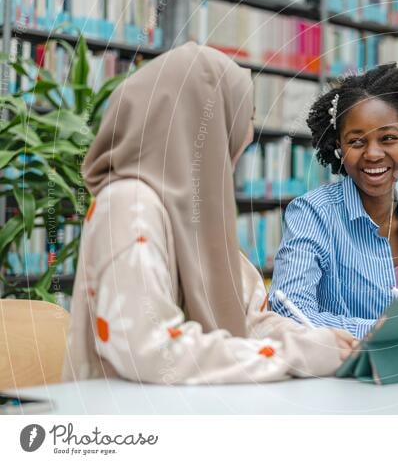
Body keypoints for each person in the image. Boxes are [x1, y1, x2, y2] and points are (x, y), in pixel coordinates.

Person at [62, 42, 355, 384]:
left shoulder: (200, 215)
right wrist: (293, 355)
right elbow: (150, 351)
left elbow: (250, 320)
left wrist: (321, 342)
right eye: (244, 115)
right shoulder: (128, 204)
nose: (248, 133)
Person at [268, 63, 398, 339]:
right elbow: (288, 312)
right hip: (337, 375)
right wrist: (380, 331)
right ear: (339, 146)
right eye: (357, 141)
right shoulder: (312, 214)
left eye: (388, 138)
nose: (373, 154)